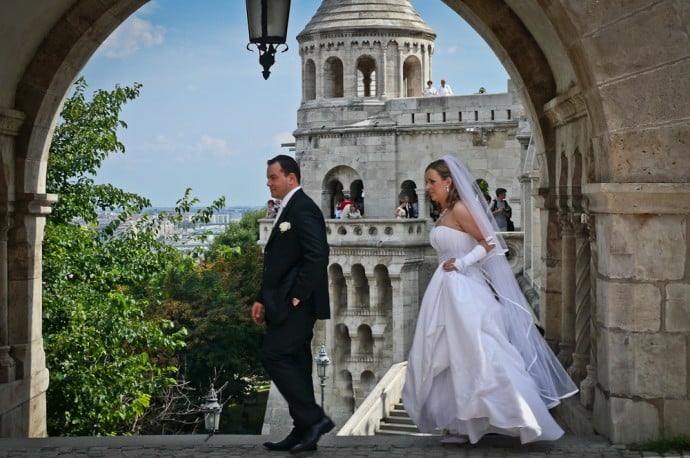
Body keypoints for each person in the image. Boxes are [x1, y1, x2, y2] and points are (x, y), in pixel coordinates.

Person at [402, 155, 577, 445]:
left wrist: (462, 262)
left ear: (448, 182)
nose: (428, 187)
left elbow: (490, 242)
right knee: (452, 356)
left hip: (464, 290)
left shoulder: (459, 209)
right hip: (446, 291)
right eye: (427, 182)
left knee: (478, 353)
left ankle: (517, 414)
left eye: (432, 182)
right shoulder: (444, 213)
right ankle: (463, 424)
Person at [251, 155, 334, 453]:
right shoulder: (288, 209)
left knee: (274, 354)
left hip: (297, 304)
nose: (268, 183)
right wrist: (261, 298)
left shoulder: (303, 210)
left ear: (291, 178)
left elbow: (317, 255)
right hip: (282, 301)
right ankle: (302, 432)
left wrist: (299, 294)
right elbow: (277, 262)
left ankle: (314, 420)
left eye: (273, 177)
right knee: (297, 363)